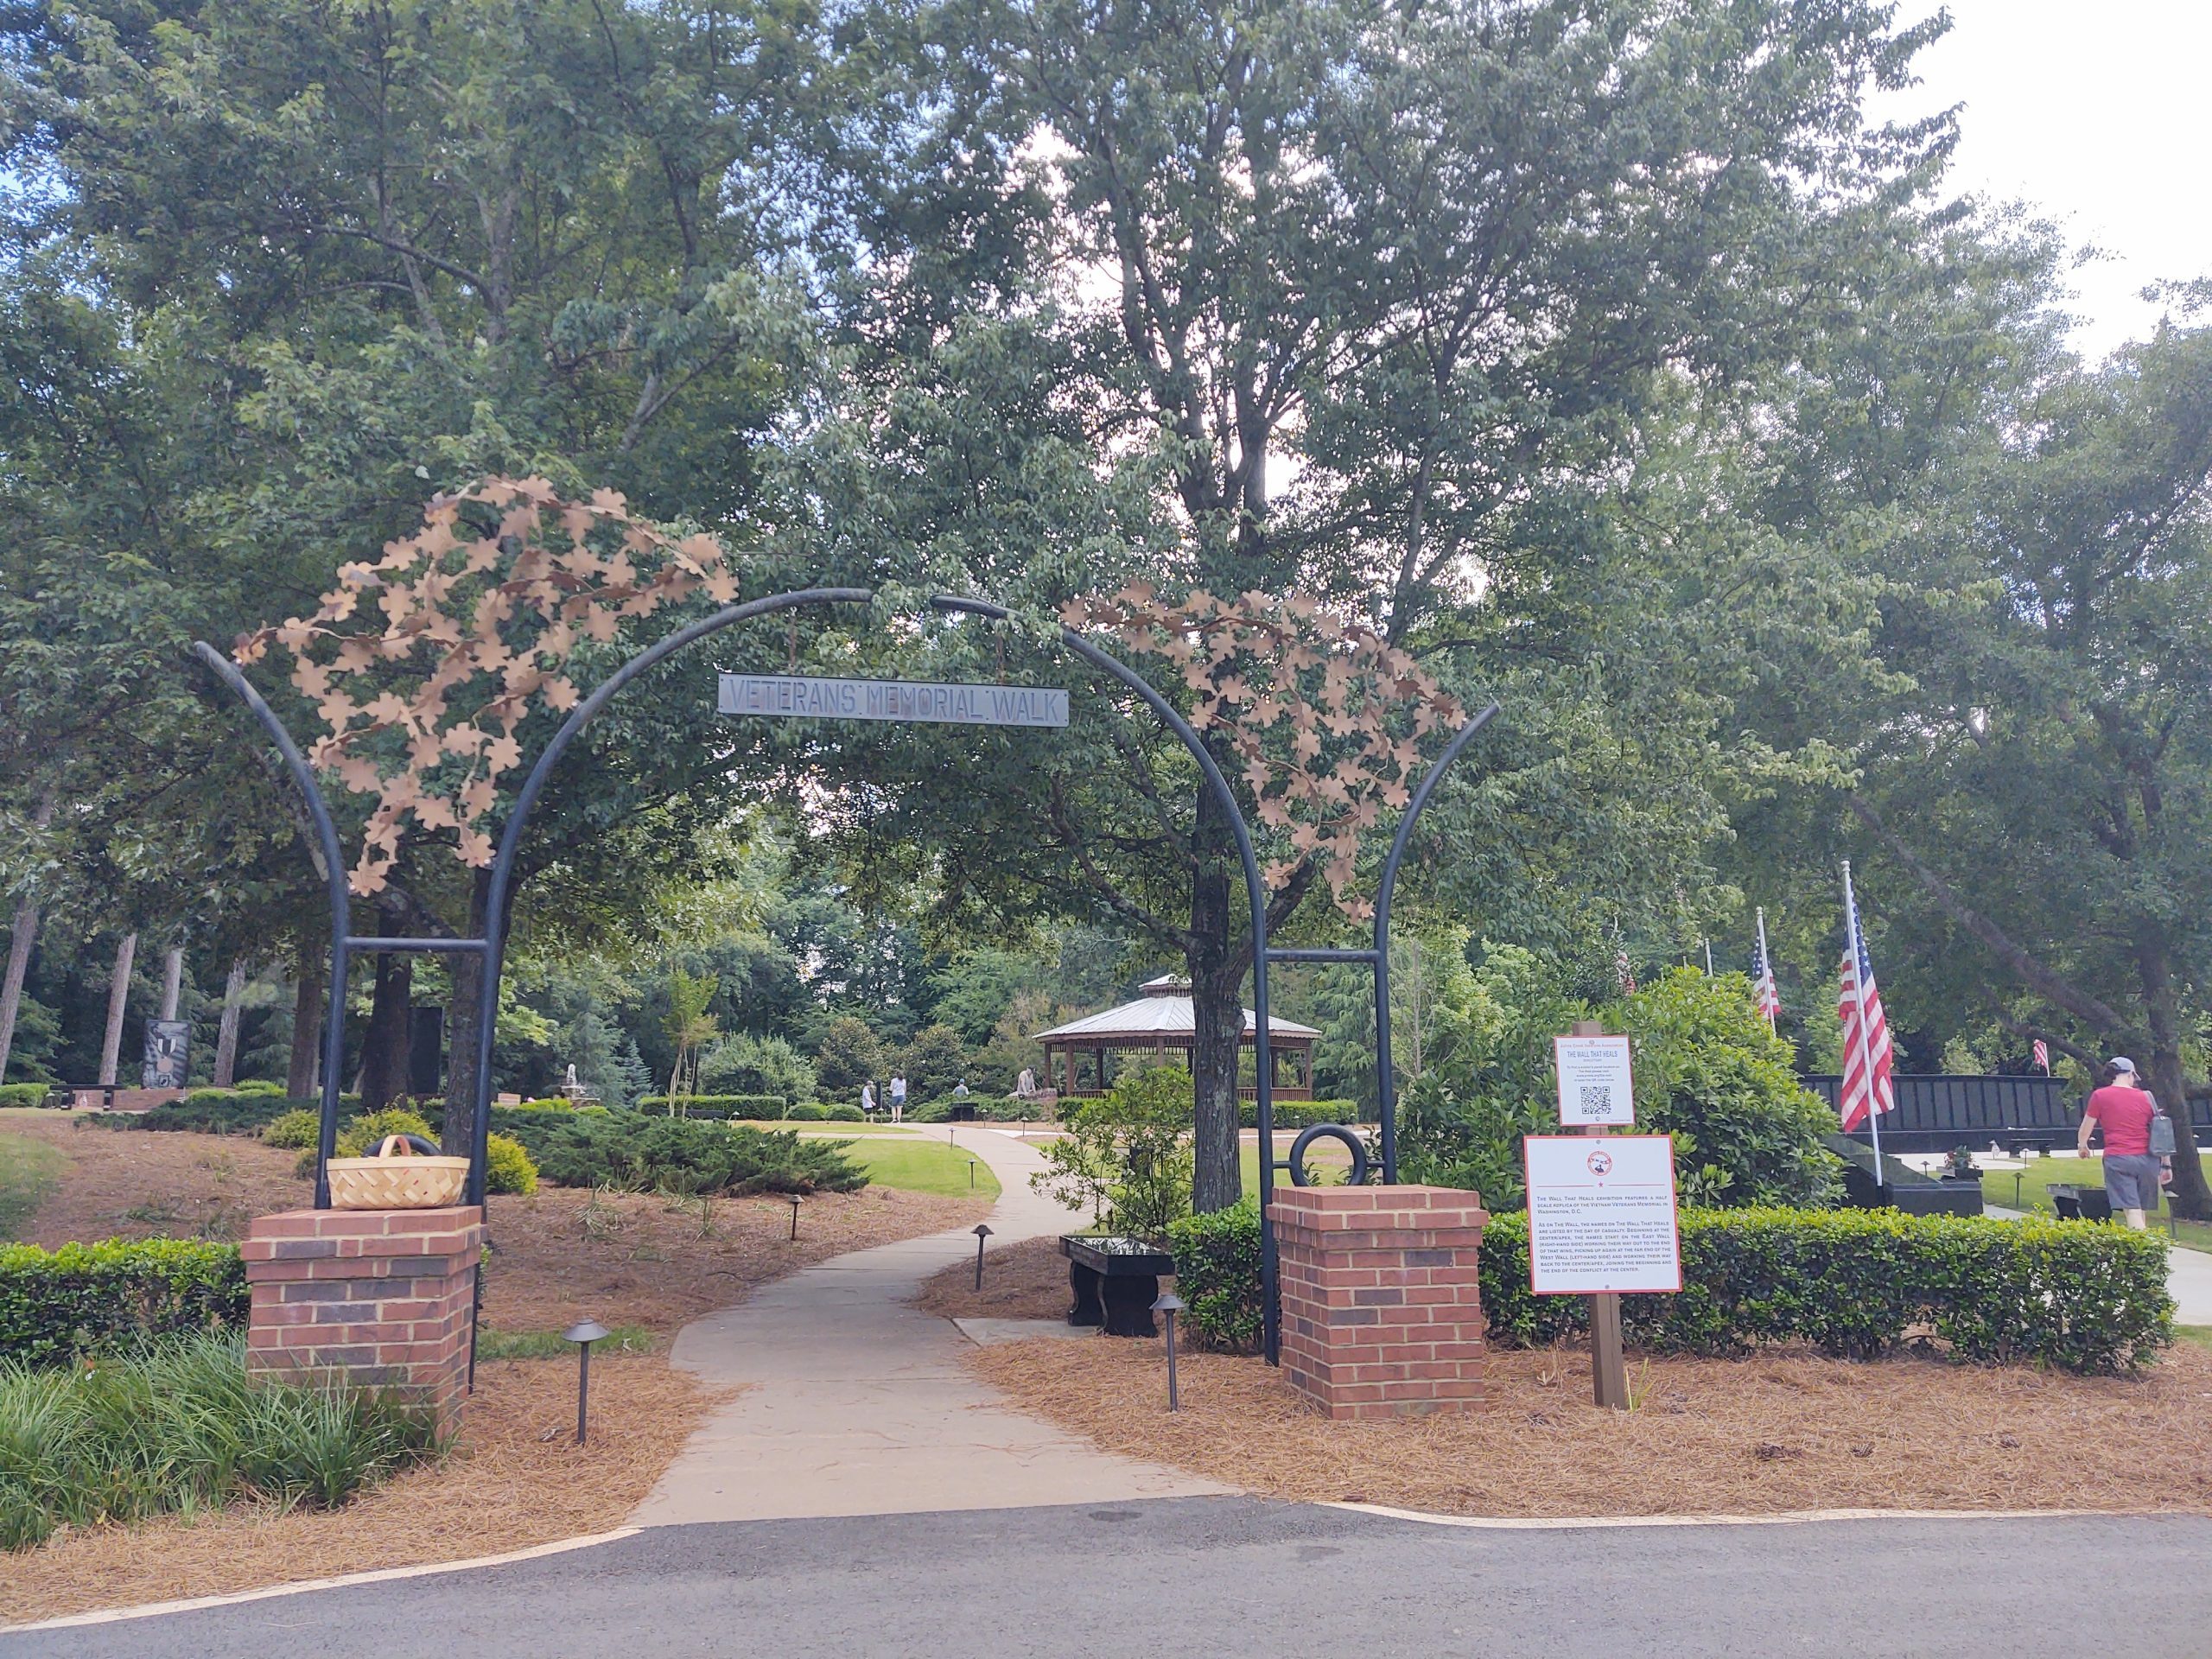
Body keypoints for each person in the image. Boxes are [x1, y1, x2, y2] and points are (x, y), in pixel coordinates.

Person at [2078, 1057, 2164, 1230]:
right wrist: (2166, 1165)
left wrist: (2082, 1145)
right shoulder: (2146, 1098)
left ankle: (2144, 1252)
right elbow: (2161, 1132)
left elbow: (2087, 1126)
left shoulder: (2100, 1096)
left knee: (2132, 1210)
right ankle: (2146, 1249)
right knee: (2140, 1210)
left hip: (2118, 1158)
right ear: (2131, 1074)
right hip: (2148, 1160)